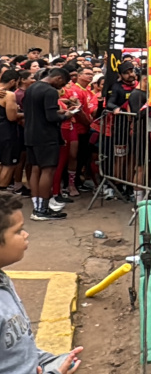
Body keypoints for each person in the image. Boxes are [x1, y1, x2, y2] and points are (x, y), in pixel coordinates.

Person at [0, 190, 85, 372]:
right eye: (18, 231)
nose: (26, 235)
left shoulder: (3, 281)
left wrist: (49, 361)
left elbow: (17, 351)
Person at [22, 68, 76, 222]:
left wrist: (61, 112)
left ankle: (37, 207)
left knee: (35, 169)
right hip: (46, 136)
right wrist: (67, 115)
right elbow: (51, 117)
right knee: (48, 170)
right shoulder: (50, 91)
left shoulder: (32, 87)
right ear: (58, 78)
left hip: (31, 134)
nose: (62, 87)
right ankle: (43, 209)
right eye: (62, 83)